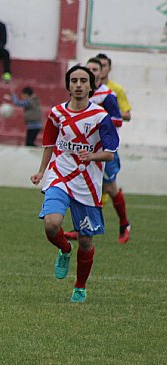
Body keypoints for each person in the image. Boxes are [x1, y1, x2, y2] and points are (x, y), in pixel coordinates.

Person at [30, 64, 119, 303]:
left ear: (91, 86)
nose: (78, 85)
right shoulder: (57, 113)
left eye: (83, 81)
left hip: (87, 184)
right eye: (74, 81)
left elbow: (110, 152)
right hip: (59, 175)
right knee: (51, 224)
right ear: (68, 85)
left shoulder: (100, 116)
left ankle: (80, 286)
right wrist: (41, 171)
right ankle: (65, 249)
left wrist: (93, 156)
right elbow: (49, 143)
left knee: (86, 240)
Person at [64, 58, 131, 244]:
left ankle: (124, 224)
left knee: (109, 188)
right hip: (85, 149)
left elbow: (117, 120)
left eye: (95, 69)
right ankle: (81, 227)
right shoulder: (83, 94)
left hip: (104, 150)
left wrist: (99, 118)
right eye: (89, 69)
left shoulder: (107, 95)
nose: (92, 71)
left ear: (102, 72)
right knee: (81, 186)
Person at [95, 53, 131, 121]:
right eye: (99, 66)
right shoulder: (86, 88)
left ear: (110, 68)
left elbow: (127, 115)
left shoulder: (117, 89)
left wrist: (109, 112)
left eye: (104, 66)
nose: (101, 69)